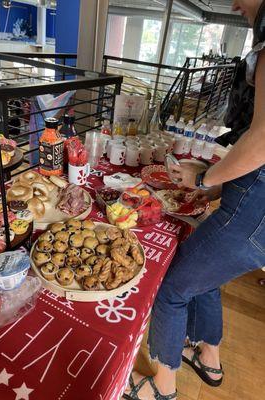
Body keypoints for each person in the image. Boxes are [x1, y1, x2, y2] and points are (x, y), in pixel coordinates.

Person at [124, 1, 265, 399]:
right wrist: (217, 187)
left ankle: (161, 387)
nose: (234, 4)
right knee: (205, 278)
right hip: (252, 208)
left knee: (171, 288)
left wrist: (202, 175)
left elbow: (261, 141)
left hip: (252, 217)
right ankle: (208, 359)